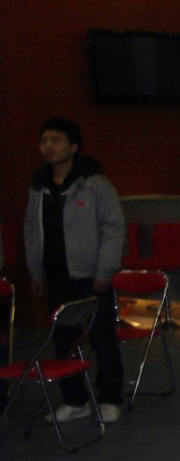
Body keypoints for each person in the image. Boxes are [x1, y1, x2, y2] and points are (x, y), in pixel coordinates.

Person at [23, 117, 125, 421]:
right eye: (44, 141)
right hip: (56, 276)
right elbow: (32, 230)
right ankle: (75, 400)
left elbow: (113, 228)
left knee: (102, 338)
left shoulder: (95, 184)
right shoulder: (39, 186)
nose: (48, 146)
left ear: (73, 146)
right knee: (63, 340)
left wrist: (104, 270)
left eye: (55, 140)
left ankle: (109, 398)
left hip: (91, 276)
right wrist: (35, 271)